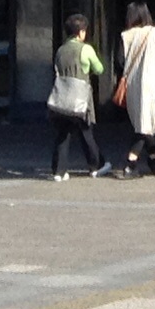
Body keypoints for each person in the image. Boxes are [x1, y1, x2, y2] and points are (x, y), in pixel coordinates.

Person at [114, 1, 155, 177]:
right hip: (153, 84)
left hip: (133, 86)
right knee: (147, 125)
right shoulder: (154, 33)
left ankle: (154, 160)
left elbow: (119, 62)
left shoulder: (124, 36)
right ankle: (131, 163)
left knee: (143, 123)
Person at [47, 13, 113, 183]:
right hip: (80, 98)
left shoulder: (60, 50)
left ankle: (58, 171)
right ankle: (96, 166)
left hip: (62, 98)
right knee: (85, 131)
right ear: (80, 32)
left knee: (63, 133)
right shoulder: (86, 49)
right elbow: (99, 69)